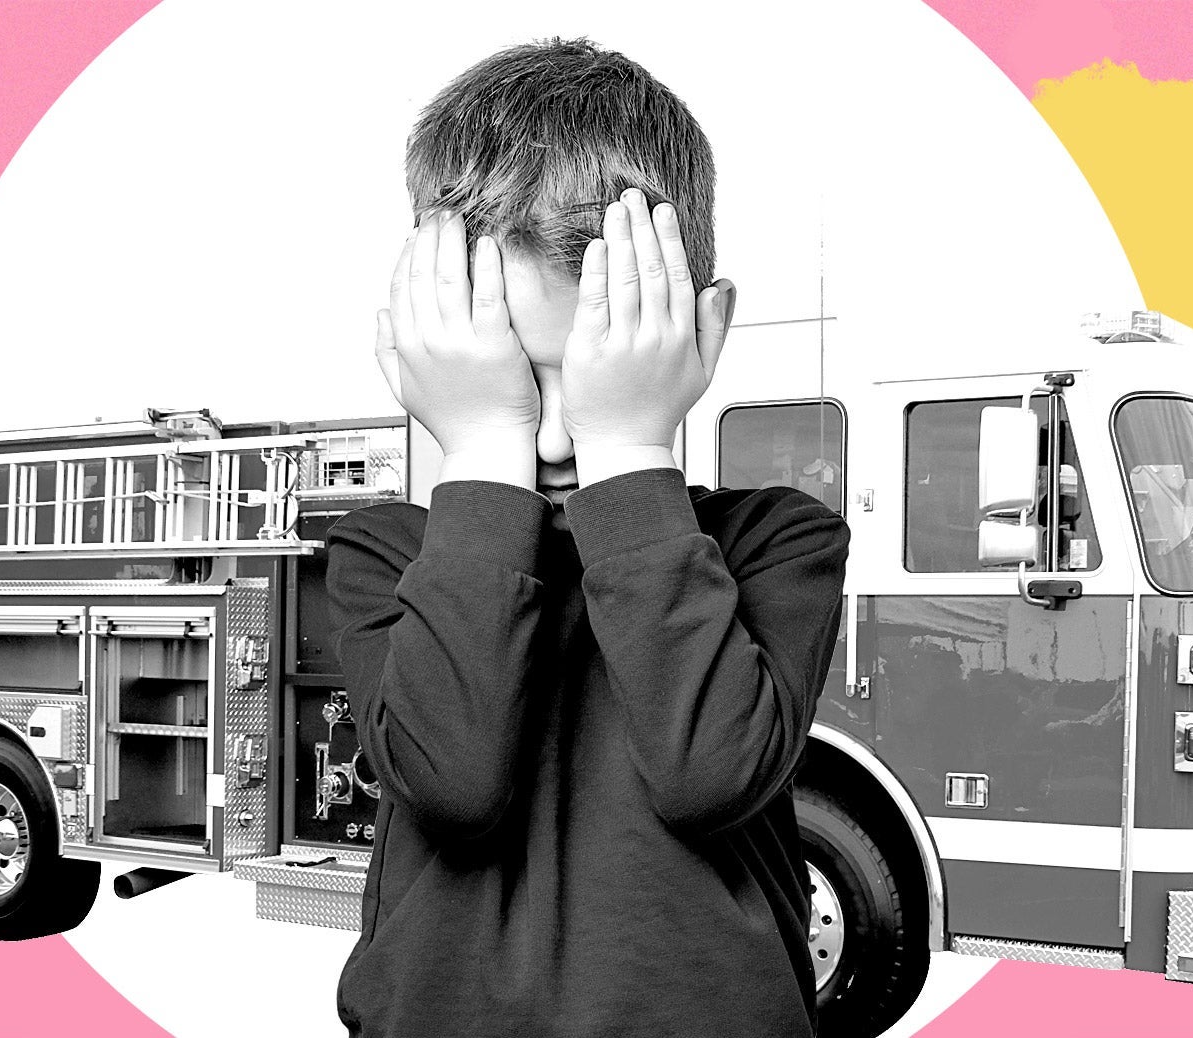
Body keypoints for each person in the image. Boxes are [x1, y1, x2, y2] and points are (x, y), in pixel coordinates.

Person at [325, 38, 849, 1038]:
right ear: (425, 340)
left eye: (596, 375)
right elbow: (455, 783)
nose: (561, 433)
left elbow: (708, 776)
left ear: (701, 331)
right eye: (516, 381)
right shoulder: (385, 555)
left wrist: (630, 449)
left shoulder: (780, 542)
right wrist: (480, 447)